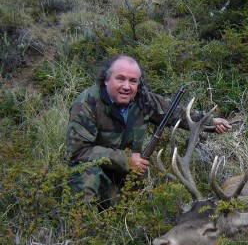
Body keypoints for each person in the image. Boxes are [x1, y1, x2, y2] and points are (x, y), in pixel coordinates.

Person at [66, 54, 231, 206]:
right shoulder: (86, 104)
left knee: (137, 207)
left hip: (128, 174)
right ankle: (83, 232)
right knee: (86, 175)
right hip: (97, 173)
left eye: (133, 81)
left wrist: (209, 121)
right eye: (120, 79)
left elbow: (175, 114)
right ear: (106, 80)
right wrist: (126, 159)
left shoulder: (143, 100)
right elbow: (79, 152)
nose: (126, 86)